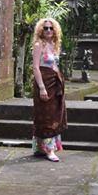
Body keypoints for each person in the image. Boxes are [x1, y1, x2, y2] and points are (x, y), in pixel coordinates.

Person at [32, 17, 67, 161]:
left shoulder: (54, 44)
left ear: (55, 30)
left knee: (54, 115)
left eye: (51, 28)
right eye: (45, 28)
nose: (48, 30)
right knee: (45, 116)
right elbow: (35, 67)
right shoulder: (38, 45)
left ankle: (42, 148)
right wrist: (41, 87)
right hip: (43, 82)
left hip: (54, 82)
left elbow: (55, 65)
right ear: (41, 30)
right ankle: (49, 150)